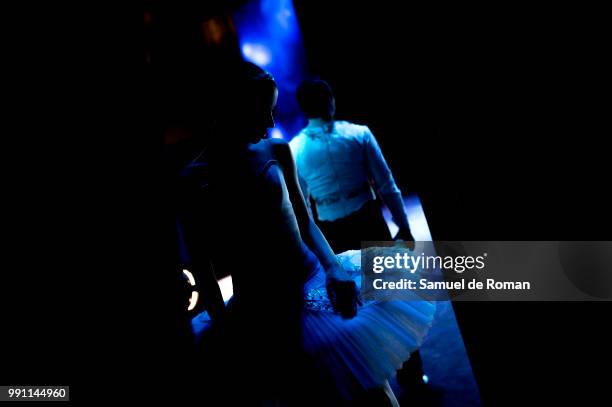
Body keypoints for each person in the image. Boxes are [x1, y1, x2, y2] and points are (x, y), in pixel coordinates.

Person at [178, 62, 434, 405]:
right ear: (232, 108)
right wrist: (225, 327)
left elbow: (304, 220)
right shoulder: (193, 180)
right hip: (260, 307)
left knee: (373, 389)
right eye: (260, 111)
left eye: (271, 110)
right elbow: (202, 265)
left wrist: (332, 267)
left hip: (311, 278)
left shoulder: (277, 151)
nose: (270, 122)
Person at [289, 80, 414, 254]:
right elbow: (386, 184)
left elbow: (302, 207)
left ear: (303, 109)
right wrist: (404, 225)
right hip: (368, 220)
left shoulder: (294, 149)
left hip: (332, 232)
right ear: (331, 100)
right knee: (386, 277)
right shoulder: (359, 133)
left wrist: (317, 250)